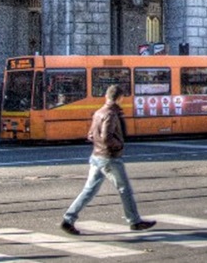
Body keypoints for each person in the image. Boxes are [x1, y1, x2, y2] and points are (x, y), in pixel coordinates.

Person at [60, 85, 155, 235]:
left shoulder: (99, 112)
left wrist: (101, 144)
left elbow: (91, 135)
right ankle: (134, 221)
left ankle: (68, 219)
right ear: (120, 98)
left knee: (89, 190)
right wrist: (119, 145)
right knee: (125, 189)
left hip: (96, 156)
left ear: (106, 96)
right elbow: (106, 137)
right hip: (110, 158)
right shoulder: (111, 114)